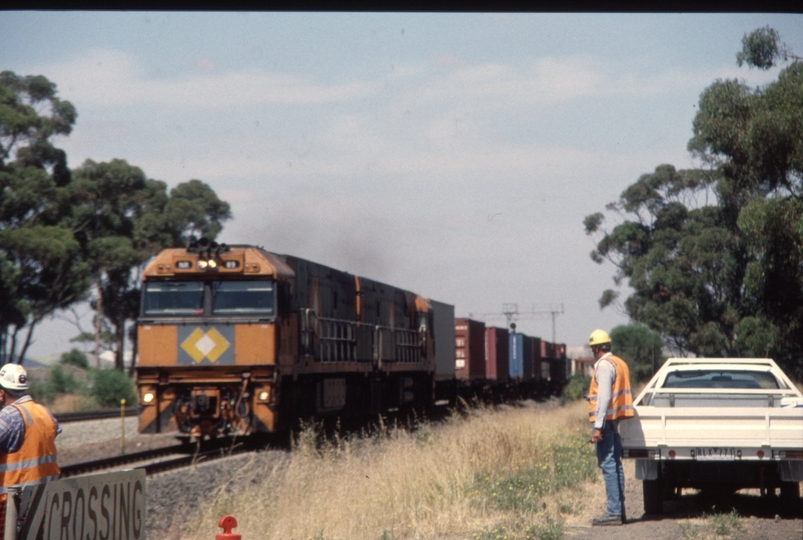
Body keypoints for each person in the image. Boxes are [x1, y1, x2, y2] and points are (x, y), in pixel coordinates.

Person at [0, 363, 61, 536]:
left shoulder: (8, 416)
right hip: (44, 500)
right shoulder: (44, 413)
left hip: (11, 506)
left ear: (2, 393)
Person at [586, 329, 634, 526]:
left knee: (607, 464)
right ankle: (619, 511)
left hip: (604, 422)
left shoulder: (604, 366)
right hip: (614, 420)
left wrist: (597, 427)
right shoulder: (619, 363)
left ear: (596, 349)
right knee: (615, 464)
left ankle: (613, 512)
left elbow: (605, 396)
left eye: (592, 349)